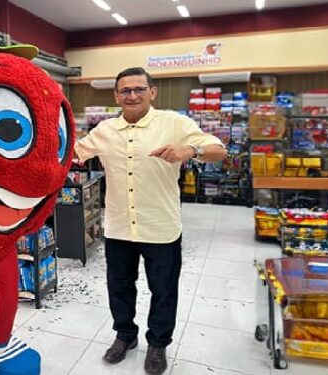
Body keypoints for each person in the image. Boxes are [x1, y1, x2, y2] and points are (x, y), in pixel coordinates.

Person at [74, 67, 227, 374]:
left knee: (163, 290)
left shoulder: (174, 123)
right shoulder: (104, 130)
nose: (132, 95)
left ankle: (158, 344)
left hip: (161, 227)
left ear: (152, 92)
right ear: (116, 96)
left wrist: (190, 150)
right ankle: (125, 336)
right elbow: (73, 153)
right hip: (118, 226)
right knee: (119, 287)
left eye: (138, 89)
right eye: (125, 91)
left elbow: (219, 150)